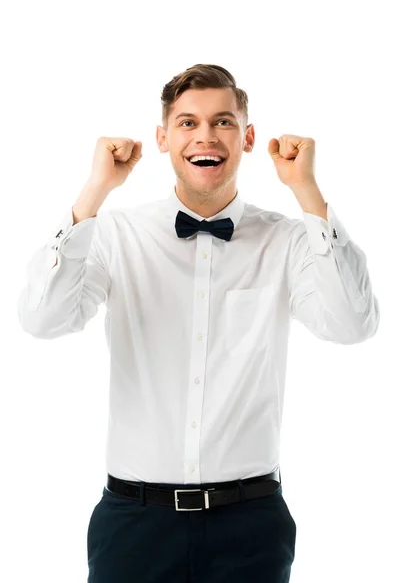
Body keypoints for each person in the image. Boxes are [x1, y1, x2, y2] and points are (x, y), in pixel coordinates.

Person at [17, 63, 380, 583]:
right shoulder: (116, 234)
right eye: (187, 123)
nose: (205, 136)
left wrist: (308, 194)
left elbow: (352, 324)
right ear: (163, 138)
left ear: (248, 136)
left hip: (251, 524)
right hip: (132, 524)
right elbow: (42, 319)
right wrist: (93, 194)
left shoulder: (288, 240)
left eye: (223, 122)